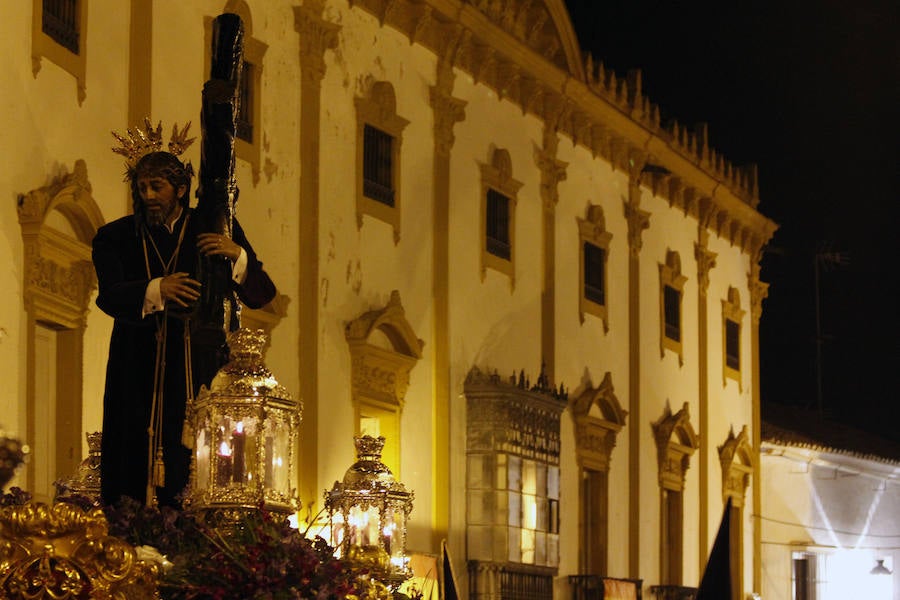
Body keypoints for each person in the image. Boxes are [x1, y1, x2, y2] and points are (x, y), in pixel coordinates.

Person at [92, 148, 275, 508]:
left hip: (198, 367)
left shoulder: (214, 228)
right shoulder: (114, 237)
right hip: (137, 367)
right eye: (142, 187)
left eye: (156, 186)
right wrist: (157, 288)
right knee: (133, 458)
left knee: (197, 459)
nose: (148, 196)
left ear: (179, 189)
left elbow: (262, 293)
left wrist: (236, 253)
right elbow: (109, 296)